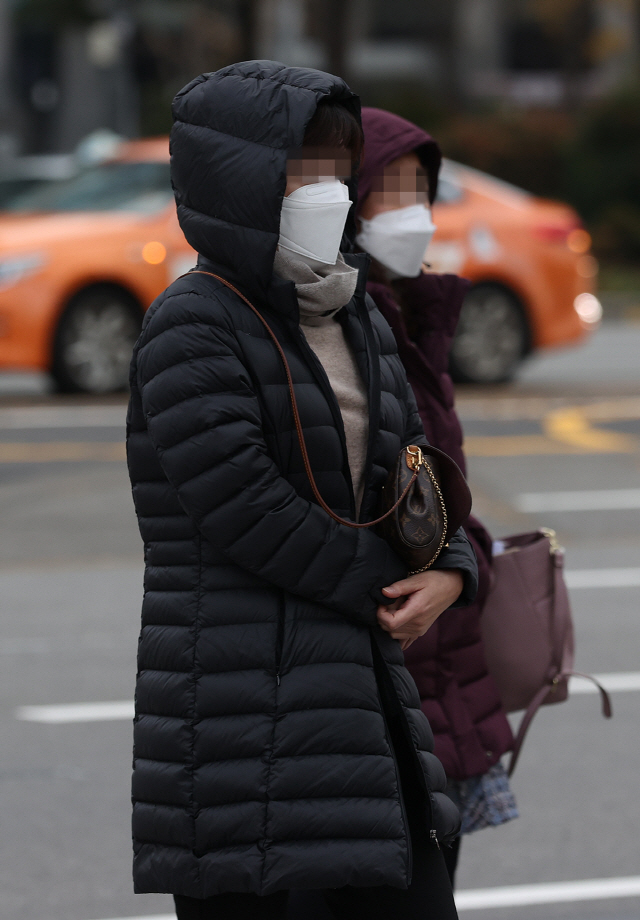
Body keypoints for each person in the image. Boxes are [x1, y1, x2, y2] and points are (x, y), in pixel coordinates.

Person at [126, 62, 478, 920]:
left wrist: (449, 566)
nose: (326, 193)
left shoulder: (350, 309)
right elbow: (244, 506)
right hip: (245, 716)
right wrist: (383, 585)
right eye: (300, 172)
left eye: (335, 171)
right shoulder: (194, 321)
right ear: (239, 181)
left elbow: (413, 462)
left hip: (364, 704)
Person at [356, 107, 518, 883]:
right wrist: (463, 560)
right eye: (388, 191)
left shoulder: (418, 317)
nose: (410, 214)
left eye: (420, 191)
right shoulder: (353, 328)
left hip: (440, 667)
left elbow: (444, 498)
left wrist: (463, 563)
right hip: (395, 673)